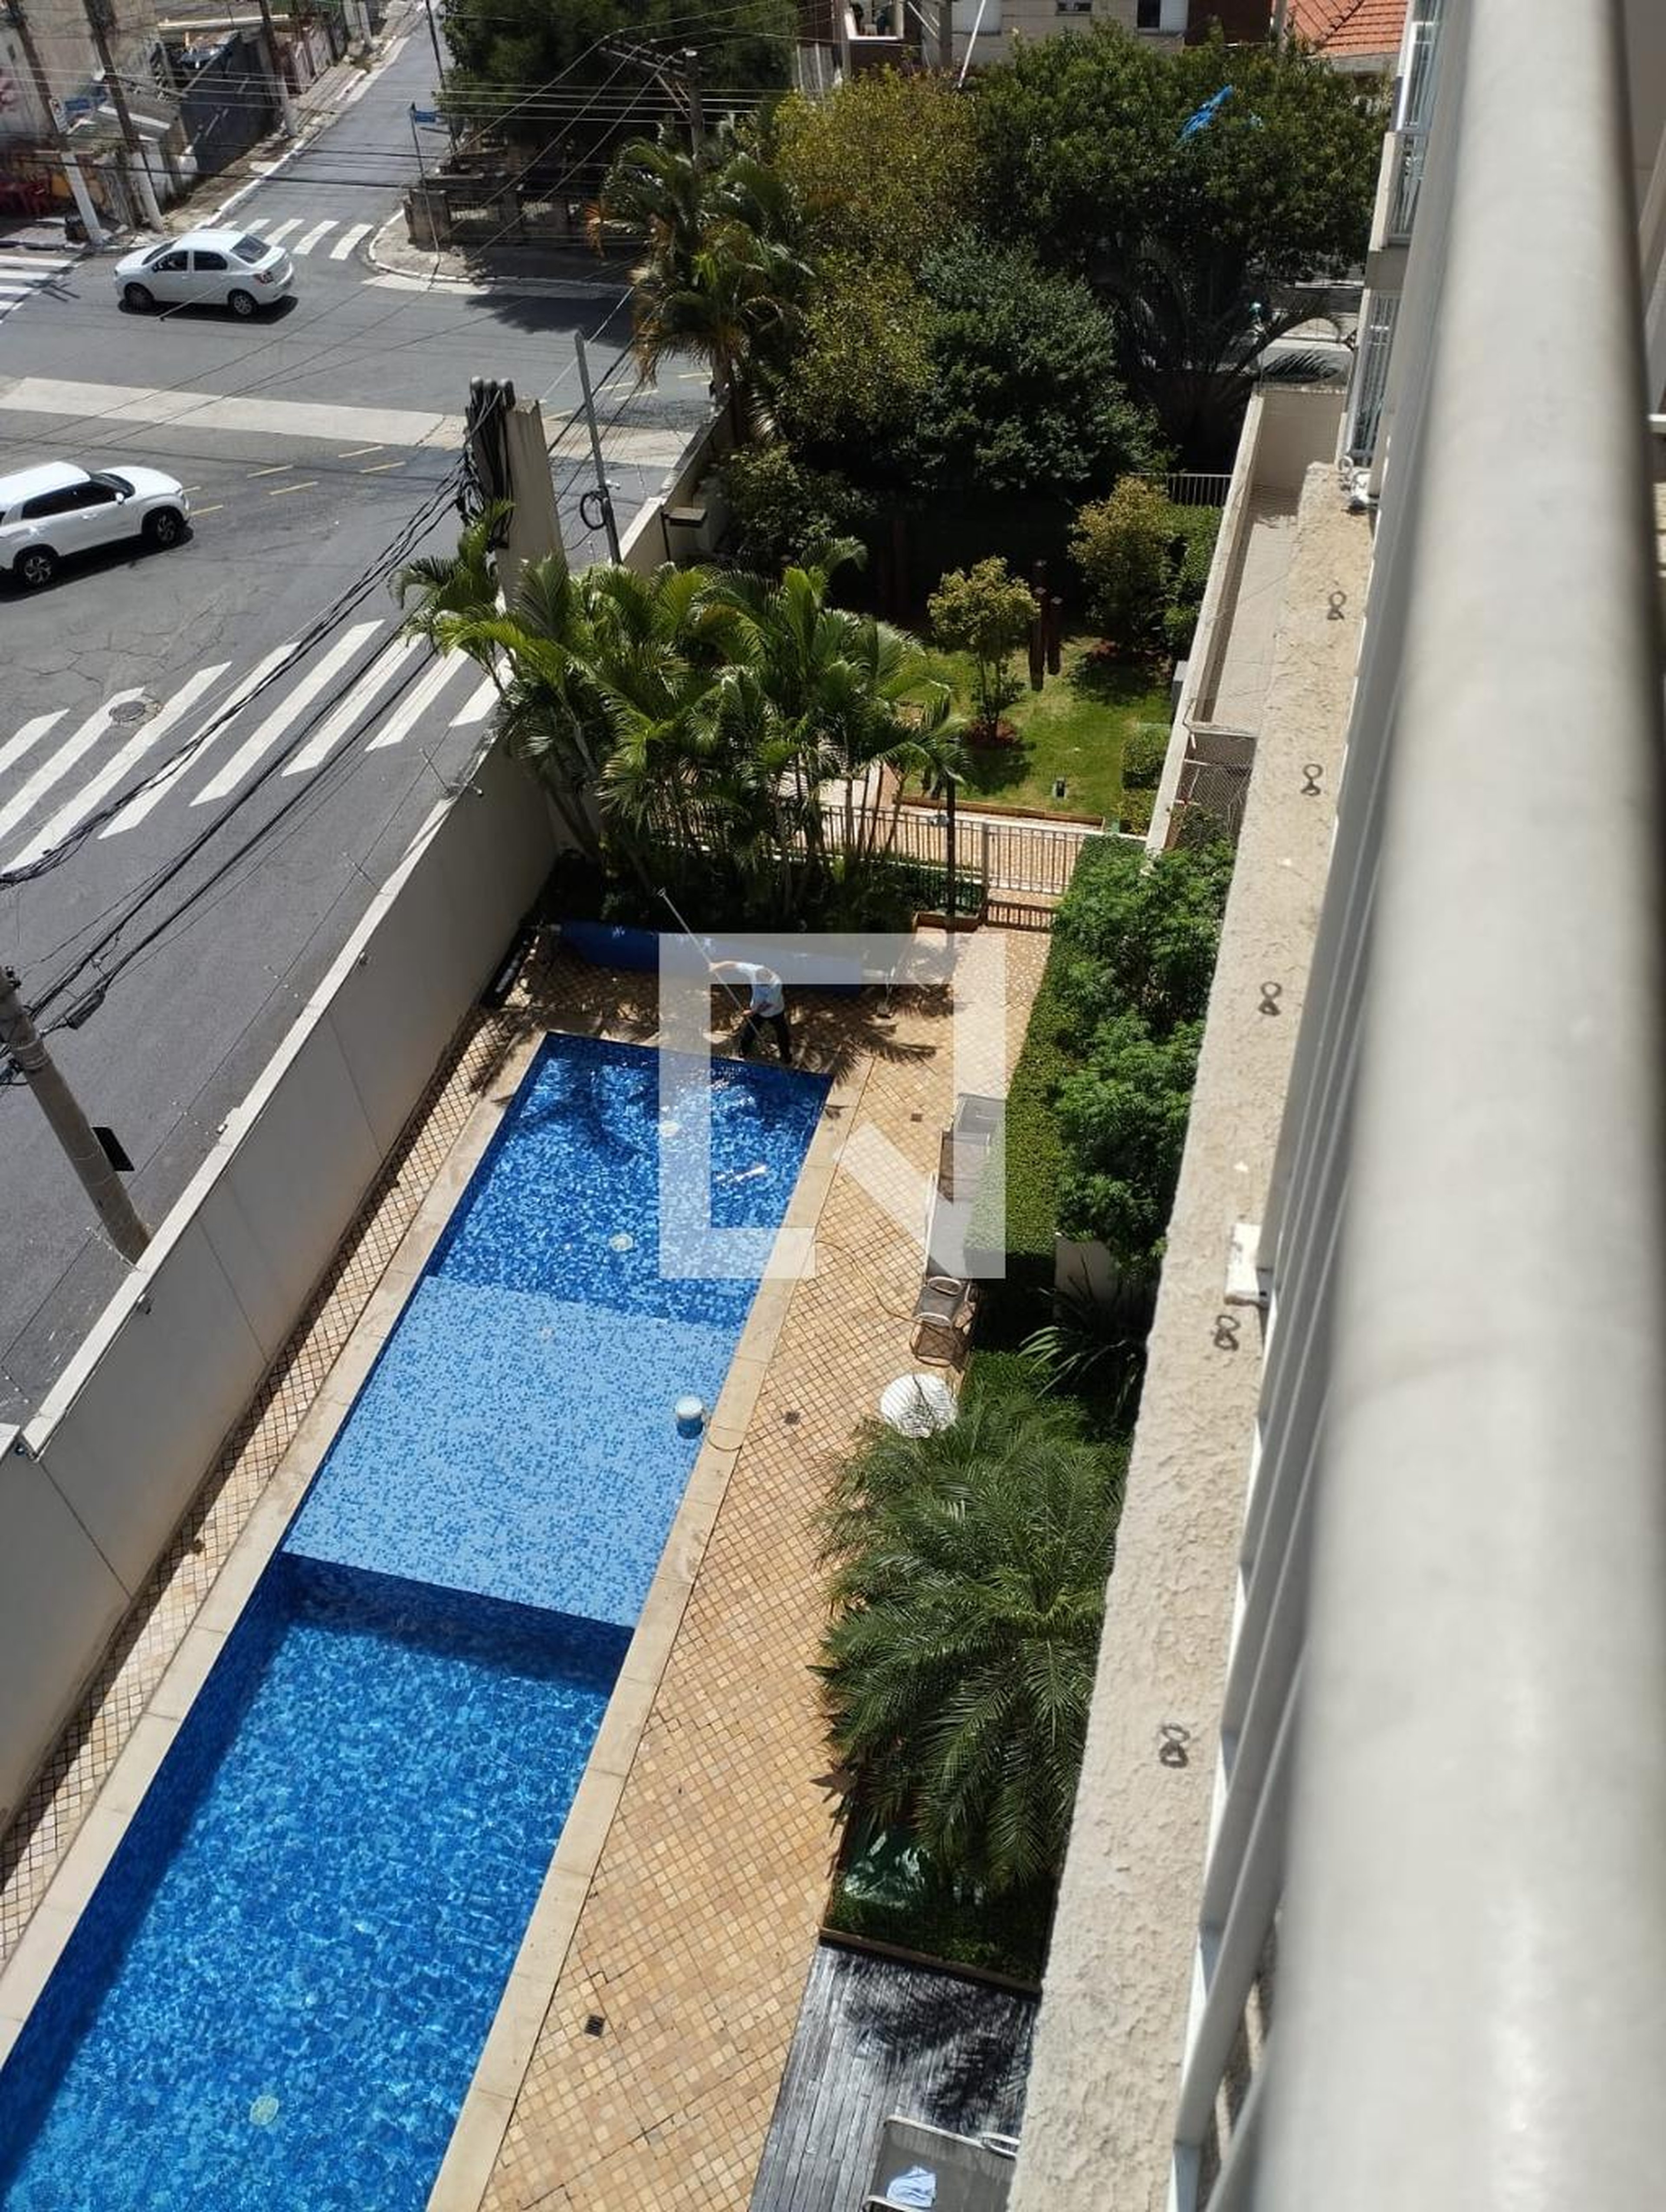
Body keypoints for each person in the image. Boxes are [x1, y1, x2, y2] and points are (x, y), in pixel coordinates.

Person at [710, 959, 793, 1065]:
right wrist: (717, 966)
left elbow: (768, 1005)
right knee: (750, 1032)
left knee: (782, 1034)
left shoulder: (776, 984)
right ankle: (743, 1051)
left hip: (775, 1012)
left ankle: (786, 1056)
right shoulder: (753, 970)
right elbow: (734, 965)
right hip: (756, 1010)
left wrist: (752, 1012)